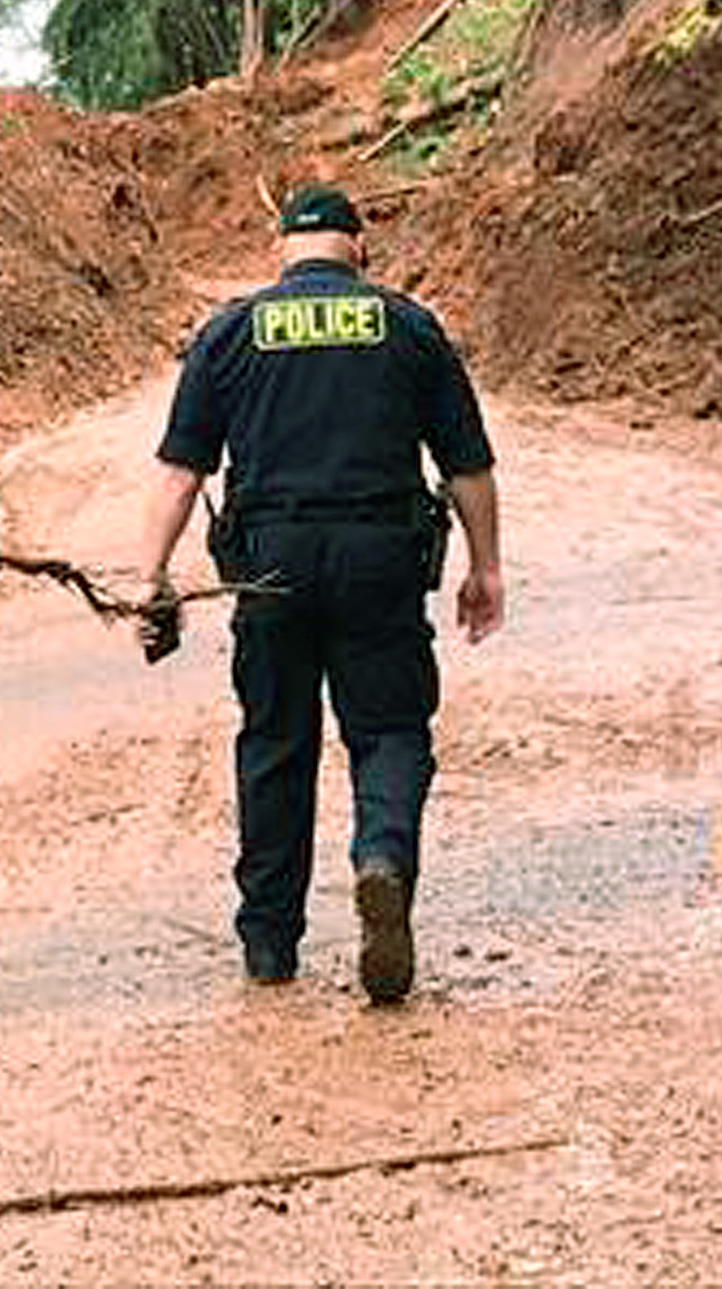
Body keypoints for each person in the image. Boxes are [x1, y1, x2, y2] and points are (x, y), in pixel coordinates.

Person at [131, 184, 504, 1002]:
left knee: (275, 744)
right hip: (380, 559)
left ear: (282, 252)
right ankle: (382, 858)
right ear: (358, 248)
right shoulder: (407, 326)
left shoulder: (230, 332)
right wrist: (486, 566)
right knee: (391, 729)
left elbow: (180, 470)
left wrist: (151, 578)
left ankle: (270, 944)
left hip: (269, 565)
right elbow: (466, 461)